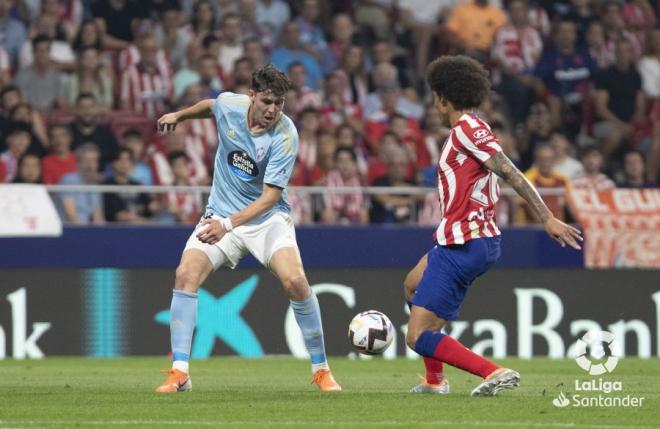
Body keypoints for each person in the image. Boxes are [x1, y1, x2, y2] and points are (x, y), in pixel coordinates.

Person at [154, 64, 341, 393]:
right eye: (267, 101)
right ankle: (180, 371)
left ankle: (321, 369)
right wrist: (179, 116)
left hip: (265, 220)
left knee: (296, 282)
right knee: (186, 275)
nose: (272, 110)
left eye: (279, 103)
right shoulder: (230, 104)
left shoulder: (285, 135)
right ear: (251, 96)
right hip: (220, 212)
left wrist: (226, 225)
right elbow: (209, 106)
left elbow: (270, 198)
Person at [403, 56, 582, 397]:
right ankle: (434, 380)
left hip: (467, 241)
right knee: (412, 286)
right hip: (460, 239)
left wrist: (546, 216)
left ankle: (493, 371)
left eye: (434, 98)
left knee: (416, 337)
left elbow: (510, 172)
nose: (434, 106)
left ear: (443, 97)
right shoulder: (468, 129)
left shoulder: (468, 129)